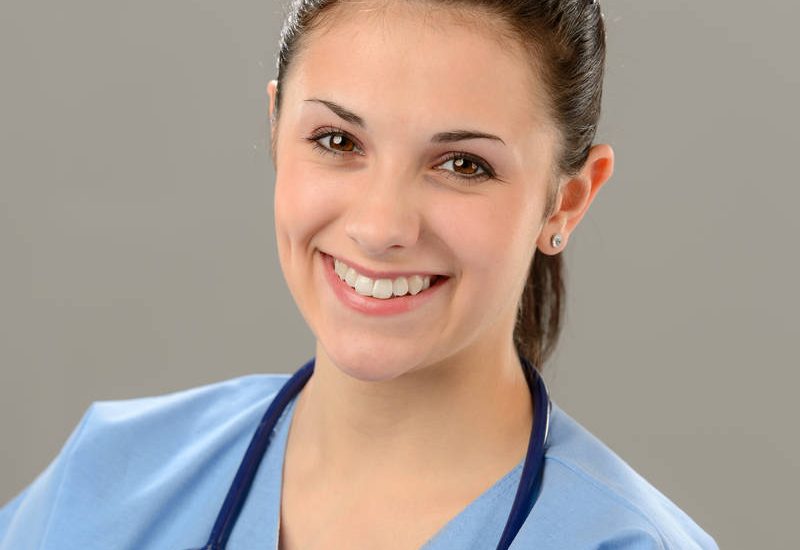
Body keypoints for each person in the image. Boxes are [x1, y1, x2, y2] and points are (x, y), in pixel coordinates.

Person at [0, 0, 718, 548]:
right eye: (338, 140)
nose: (380, 227)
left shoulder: (621, 540)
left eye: (463, 164)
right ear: (276, 127)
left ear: (568, 200)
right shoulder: (109, 479)